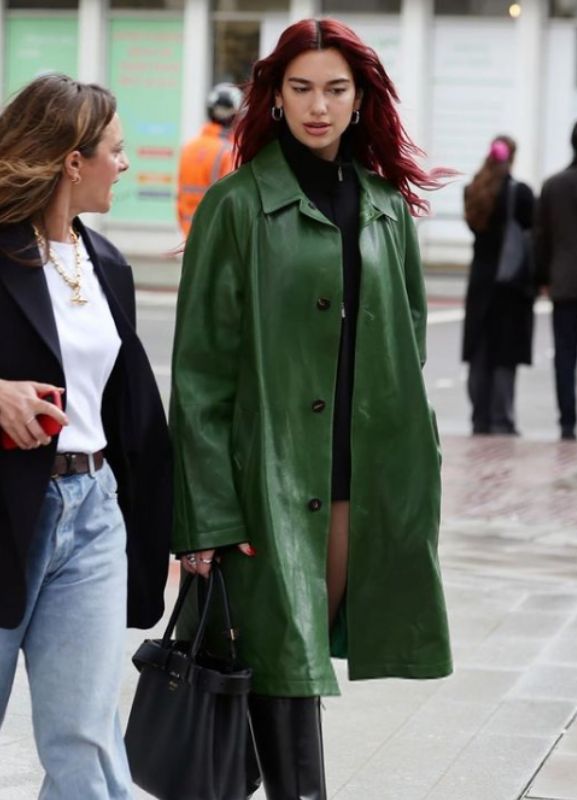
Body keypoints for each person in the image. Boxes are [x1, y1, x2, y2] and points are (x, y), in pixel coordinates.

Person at [170, 18, 452, 800]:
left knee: (288, 668)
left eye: (335, 89)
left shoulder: (387, 208)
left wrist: (414, 465)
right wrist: (206, 517)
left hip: (355, 484)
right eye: (301, 88)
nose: (318, 106)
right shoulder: (235, 207)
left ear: (361, 99)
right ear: (276, 96)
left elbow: (412, 340)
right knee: (284, 665)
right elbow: (198, 375)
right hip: (262, 483)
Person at [0, 74, 171, 799]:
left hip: (93, 509)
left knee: (87, 735)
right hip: (5, 511)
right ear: (74, 160)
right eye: (117, 150)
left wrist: (184, 531)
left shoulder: (107, 264)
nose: (125, 165)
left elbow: (132, 412)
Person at [462, 135, 535, 436]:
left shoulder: (473, 191)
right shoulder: (521, 194)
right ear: (512, 157)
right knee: (505, 353)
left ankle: (479, 417)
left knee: (480, 350)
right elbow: (533, 233)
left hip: (480, 281)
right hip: (510, 283)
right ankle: (501, 419)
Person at [535, 119, 577, 442]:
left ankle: (567, 423)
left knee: (565, 355)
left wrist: (543, 277)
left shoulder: (552, 185)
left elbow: (541, 237)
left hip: (562, 280)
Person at [176, 82, 243, 236]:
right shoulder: (228, 151)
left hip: (188, 235)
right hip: (215, 236)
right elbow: (231, 202)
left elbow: (179, 197)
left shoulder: (189, 148)